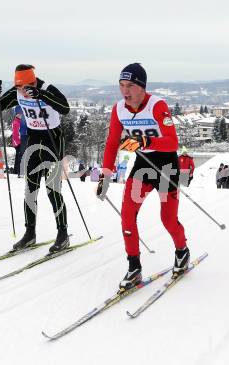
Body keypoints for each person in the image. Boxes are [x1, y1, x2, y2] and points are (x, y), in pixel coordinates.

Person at [96, 63, 189, 290]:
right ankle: (134, 267)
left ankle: (182, 251)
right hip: (142, 164)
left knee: (167, 219)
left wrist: (146, 141)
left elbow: (172, 142)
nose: (125, 91)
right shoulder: (119, 109)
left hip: (166, 165)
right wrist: (105, 176)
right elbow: (112, 143)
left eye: (129, 86)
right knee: (127, 215)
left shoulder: (157, 106)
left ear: (142, 87)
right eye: (121, 85)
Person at [0, 64, 70, 253]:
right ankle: (30, 233)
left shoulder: (47, 88)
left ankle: (63, 234)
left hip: (52, 140)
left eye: (25, 88)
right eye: (19, 88)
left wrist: (42, 95)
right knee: (30, 189)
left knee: (53, 190)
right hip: (33, 140)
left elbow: (65, 108)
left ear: (33, 82)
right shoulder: (18, 90)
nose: (22, 92)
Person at [11, 106, 22, 175]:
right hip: (18, 143)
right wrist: (18, 143)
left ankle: (16, 170)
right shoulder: (16, 122)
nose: (21, 115)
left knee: (19, 156)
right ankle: (17, 170)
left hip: (19, 142)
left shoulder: (19, 121)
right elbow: (15, 134)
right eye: (20, 114)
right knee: (19, 156)